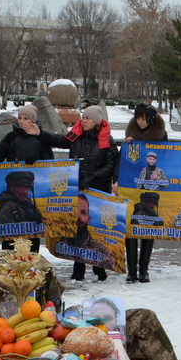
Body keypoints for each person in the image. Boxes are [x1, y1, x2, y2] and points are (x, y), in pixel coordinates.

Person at [56, 105, 119, 282]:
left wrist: (92, 177)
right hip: (79, 188)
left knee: (96, 228)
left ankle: (99, 268)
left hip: (99, 189)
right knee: (78, 227)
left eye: (87, 118)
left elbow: (110, 165)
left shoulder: (107, 140)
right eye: (83, 117)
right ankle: (78, 269)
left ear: (96, 122)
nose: (83, 121)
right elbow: (58, 140)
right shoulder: (76, 137)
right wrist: (38, 132)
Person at [124, 104, 168, 284]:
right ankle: (131, 270)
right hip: (133, 188)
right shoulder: (131, 134)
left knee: (149, 227)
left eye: (144, 119)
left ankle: (144, 270)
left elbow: (169, 156)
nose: (140, 122)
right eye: (138, 118)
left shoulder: (161, 135)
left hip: (152, 192)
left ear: (150, 119)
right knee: (132, 227)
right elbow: (125, 161)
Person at [58, 193, 112, 278]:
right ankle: (78, 271)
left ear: (89, 219)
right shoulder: (59, 244)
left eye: (83, 213)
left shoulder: (102, 250)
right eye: (76, 211)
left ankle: (99, 270)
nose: (78, 216)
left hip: (99, 187)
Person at [0, 104, 64, 165]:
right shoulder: (11, 137)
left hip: (35, 179)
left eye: (26, 118)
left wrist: (37, 163)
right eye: (20, 118)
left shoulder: (41, 137)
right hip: (14, 179)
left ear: (33, 120)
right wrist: (5, 143)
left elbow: (49, 164)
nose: (21, 121)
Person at [0, 170, 44, 253]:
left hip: (31, 254)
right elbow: (7, 236)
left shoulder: (29, 204)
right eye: (20, 187)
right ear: (12, 188)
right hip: (14, 256)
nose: (24, 191)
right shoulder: (7, 206)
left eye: (27, 188)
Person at [127, 191, 162, 283]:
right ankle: (133, 271)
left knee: (149, 235)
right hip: (131, 189)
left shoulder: (153, 212)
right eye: (149, 203)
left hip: (149, 189)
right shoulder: (139, 211)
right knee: (131, 237)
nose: (152, 205)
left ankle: (143, 270)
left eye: (153, 203)